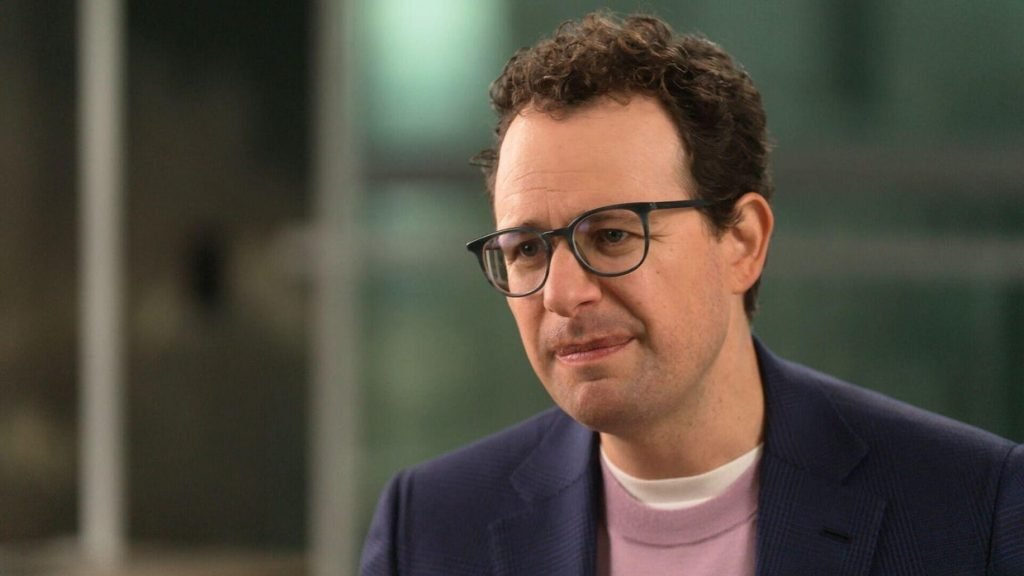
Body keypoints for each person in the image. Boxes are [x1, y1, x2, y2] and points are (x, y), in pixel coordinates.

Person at [360, 11, 1023, 575]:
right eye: (527, 249)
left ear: (743, 242)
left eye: (612, 236)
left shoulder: (972, 508)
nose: (562, 294)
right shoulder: (430, 529)